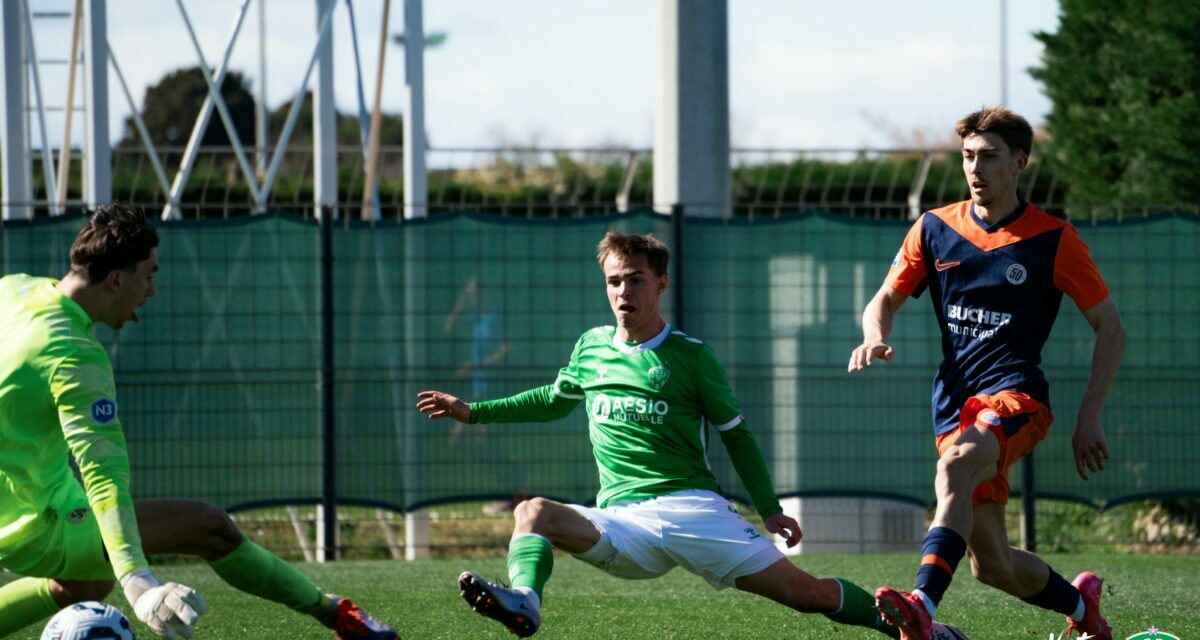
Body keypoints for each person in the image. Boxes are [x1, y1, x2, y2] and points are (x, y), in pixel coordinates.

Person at [417, 230, 898, 638]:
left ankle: (912, 626)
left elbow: (737, 435)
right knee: (532, 511)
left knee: (806, 595)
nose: (623, 291)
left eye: (635, 280)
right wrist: (473, 412)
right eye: (614, 281)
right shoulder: (591, 347)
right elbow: (552, 401)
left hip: (692, 511)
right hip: (622, 522)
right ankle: (524, 602)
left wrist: (770, 509)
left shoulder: (691, 356)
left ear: (660, 283)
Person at [0, 204, 397, 639]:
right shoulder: (74, 355)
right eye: (148, 275)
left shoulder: (15, 290)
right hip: (35, 525)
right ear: (116, 279)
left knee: (87, 582)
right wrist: (140, 585)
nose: (151, 290)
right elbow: (103, 477)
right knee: (208, 526)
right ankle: (335, 613)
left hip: (21, 502)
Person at [847, 107, 1125, 640]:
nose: (976, 168)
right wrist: (874, 335)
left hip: (1016, 400)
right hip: (953, 406)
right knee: (991, 564)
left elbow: (1111, 329)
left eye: (990, 157)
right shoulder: (934, 228)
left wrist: (1089, 416)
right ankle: (1083, 605)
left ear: (1019, 163)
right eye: (968, 156)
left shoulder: (1054, 239)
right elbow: (883, 299)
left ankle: (922, 605)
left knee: (955, 467)